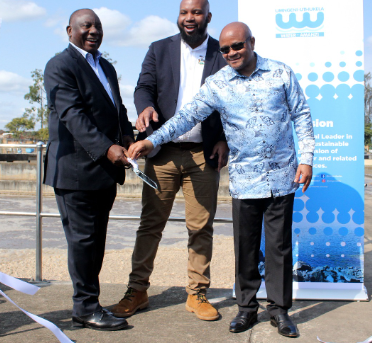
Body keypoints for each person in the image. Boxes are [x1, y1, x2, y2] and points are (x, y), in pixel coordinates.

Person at [127, 22, 314, 338]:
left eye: (237, 46)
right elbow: (187, 117)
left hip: (282, 176)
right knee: (246, 248)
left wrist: (306, 158)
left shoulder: (281, 73)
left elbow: (302, 115)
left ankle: (280, 311)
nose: (231, 53)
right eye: (225, 49)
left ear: (251, 42)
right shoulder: (218, 83)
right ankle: (246, 309)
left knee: (280, 247)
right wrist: (152, 141)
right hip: (244, 180)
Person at [111, 0, 229, 321]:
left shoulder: (223, 54)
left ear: (208, 16)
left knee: (201, 227)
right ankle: (137, 290)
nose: (189, 17)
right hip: (161, 153)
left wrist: (223, 140)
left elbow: (231, 105)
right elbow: (143, 87)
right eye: (183, 12)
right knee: (150, 225)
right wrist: (145, 107)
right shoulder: (159, 49)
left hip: (203, 155)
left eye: (196, 12)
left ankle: (197, 293)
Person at [44, 9, 134, 331]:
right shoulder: (60, 65)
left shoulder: (105, 65)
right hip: (75, 172)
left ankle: (89, 304)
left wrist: (127, 137)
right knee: (82, 241)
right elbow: (73, 115)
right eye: (86, 25)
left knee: (95, 241)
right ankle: (85, 308)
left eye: (97, 25)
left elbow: (117, 108)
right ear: (70, 30)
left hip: (103, 174)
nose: (93, 30)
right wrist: (108, 149)